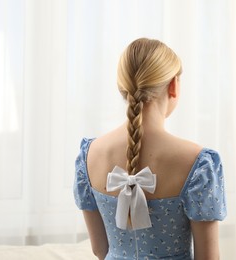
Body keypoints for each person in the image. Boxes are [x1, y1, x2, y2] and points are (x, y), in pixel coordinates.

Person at [74, 38, 226, 259]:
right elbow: (208, 257)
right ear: (173, 86)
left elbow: (99, 250)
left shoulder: (89, 156)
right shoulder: (198, 163)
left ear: (122, 87)